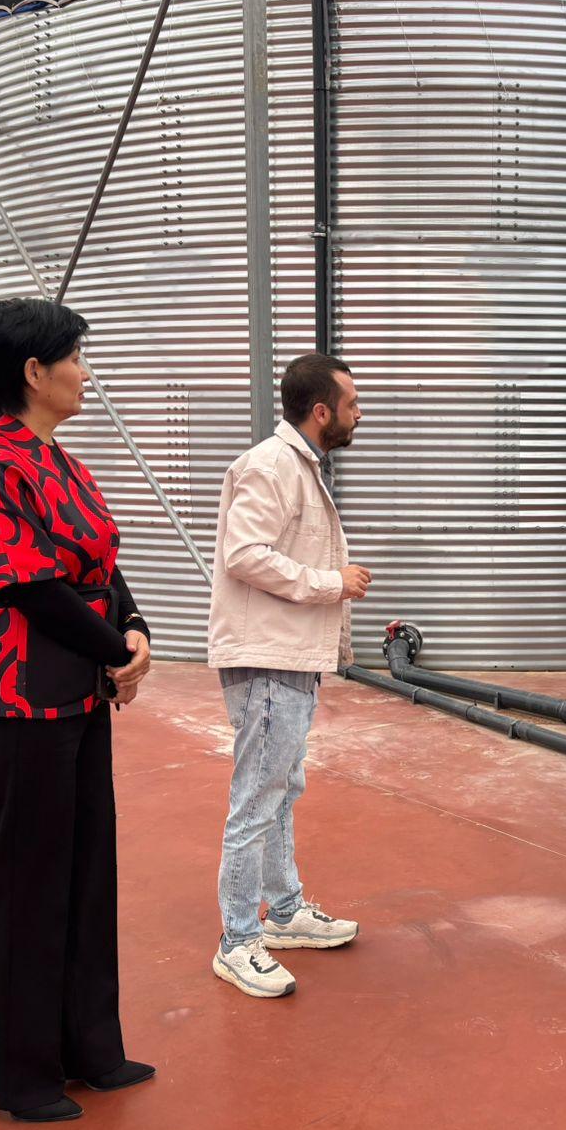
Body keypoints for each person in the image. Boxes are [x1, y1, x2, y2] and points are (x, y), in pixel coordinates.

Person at [0, 298, 156, 1121]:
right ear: (34, 372)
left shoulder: (61, 460)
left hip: (76, 698)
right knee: (26, 888)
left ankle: (88, 1048)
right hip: (16, 708)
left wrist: (135, 628)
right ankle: (15, 1074)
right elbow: (31, 587)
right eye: (74, 357)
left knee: (86, 876)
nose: (85, 372)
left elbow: (100, 561)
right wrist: (116, 651)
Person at [207, 353, 371, 998]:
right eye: (352, 404)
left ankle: (282, 911)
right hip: (269, 659)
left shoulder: (298, 466)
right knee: (257, 799)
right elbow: (244, 554)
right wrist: (331, 583)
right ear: (322, 411)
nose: (360, 414)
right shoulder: (272, 466)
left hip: (289, 657)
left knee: (278, 790)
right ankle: (237, 941)